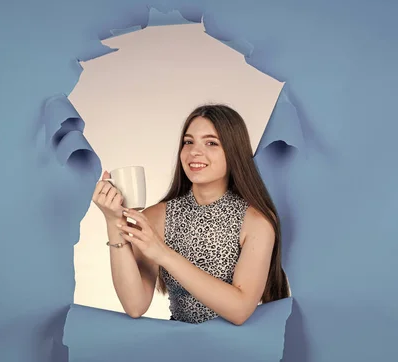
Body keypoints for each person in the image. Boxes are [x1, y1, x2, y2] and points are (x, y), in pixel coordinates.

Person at [91, 104, 290, 325]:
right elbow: (135, 305)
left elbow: (240, 310)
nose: (195, 152)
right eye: (188, 142)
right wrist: (114, 221)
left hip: (236, 347)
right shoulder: (156, 217)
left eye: (211, 143)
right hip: (181, 345)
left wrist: (163, 254)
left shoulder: (256, 221)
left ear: (234, 151)